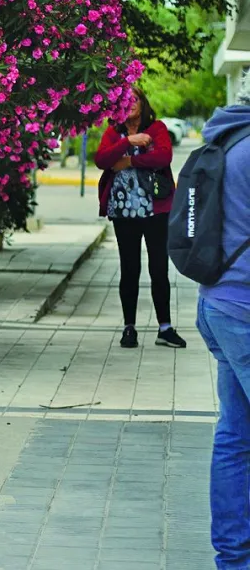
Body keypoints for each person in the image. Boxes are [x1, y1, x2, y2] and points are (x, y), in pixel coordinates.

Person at [193, 80, 250, 570]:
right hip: (247, 313)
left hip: (219, 304)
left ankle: (233, 559)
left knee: (235, 436)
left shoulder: (226, 137)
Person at [95, 87, 186, 349]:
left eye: (135, 99)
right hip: (124, 212)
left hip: (156, 210)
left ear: (143, 103)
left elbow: (164, 156)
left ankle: (165, 328)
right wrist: (127, 143)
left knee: (159, 268)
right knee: (129, 269)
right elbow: (102, 160)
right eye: (125, 100)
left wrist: (129, 162)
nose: (130, 104)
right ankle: (129, 328)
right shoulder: (114, 133)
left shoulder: (156, 129)